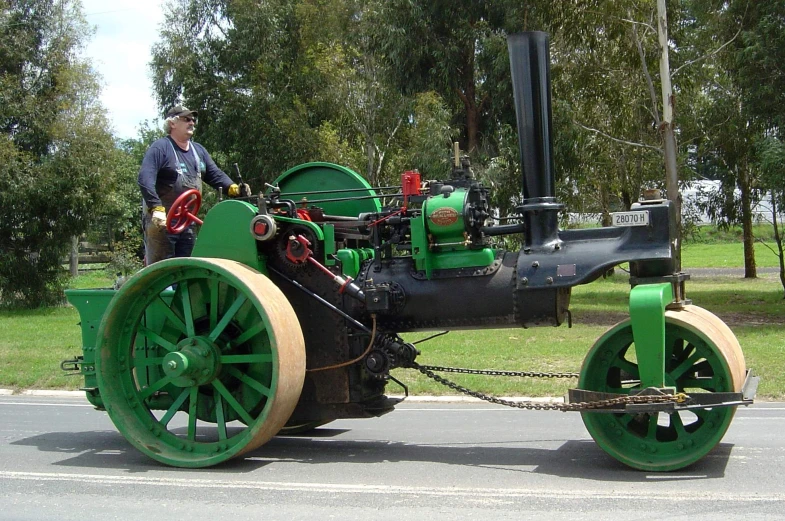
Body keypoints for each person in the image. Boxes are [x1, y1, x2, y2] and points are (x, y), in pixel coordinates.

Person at [138, 105, 249, 264]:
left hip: (187, 221)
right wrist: (156, 207)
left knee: (187, 266)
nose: (192, 123)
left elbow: (215, 175)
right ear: (172, 124)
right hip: (162, 222)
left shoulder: (198, 151)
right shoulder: (161, 148)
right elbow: (145, 178)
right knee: (159, 271)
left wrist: (234, 188)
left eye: (193, 120)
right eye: (186, 119)